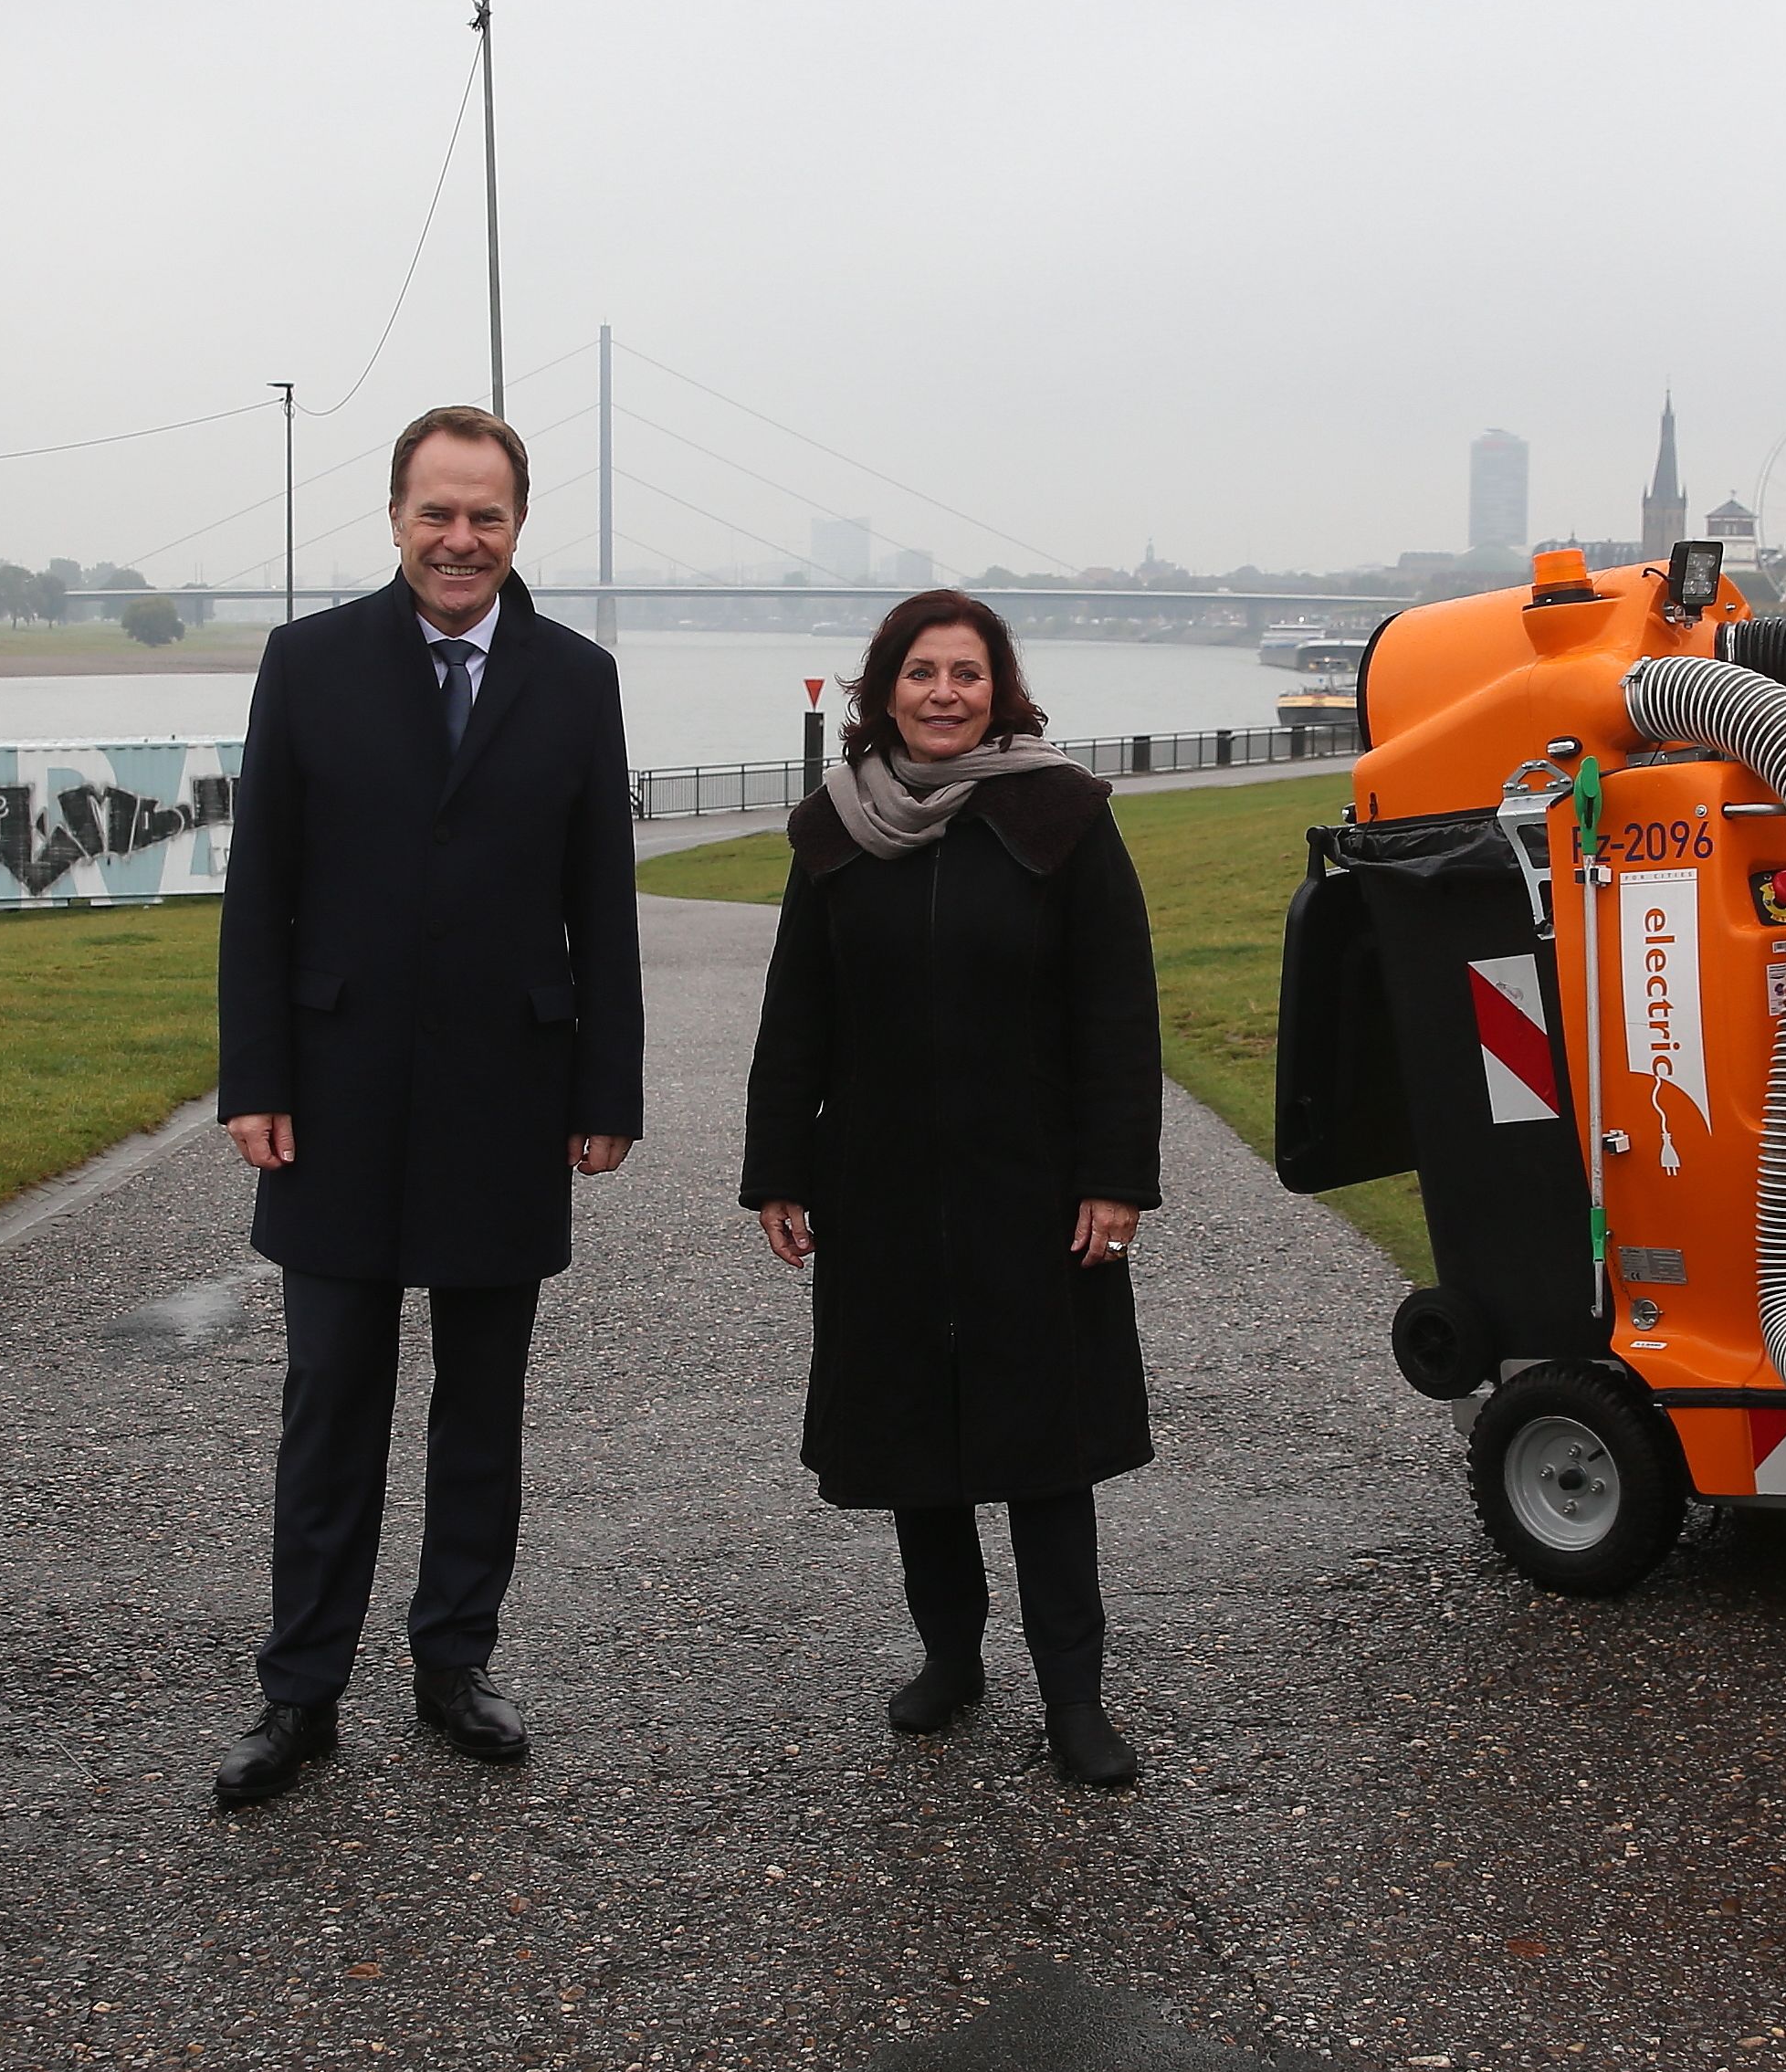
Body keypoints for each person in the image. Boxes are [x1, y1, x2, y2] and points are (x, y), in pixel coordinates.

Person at [209, 405, 645, 1807]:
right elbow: (259, 889)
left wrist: (606, 1087)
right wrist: (256, 1076)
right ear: (395, 515)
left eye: (488, 516)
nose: (460, 541)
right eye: (436, 513)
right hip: (331, 1099)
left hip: (506, 1097)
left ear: (520, 526)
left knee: (480, 1406)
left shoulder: (576, 681)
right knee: (330, 1402)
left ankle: (454, 1661)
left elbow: (603, 906)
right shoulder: (310, 663)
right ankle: (300, 1691)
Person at [739, 594, 1164, 1787]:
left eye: (963, 674)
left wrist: (1114, 1177)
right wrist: (777, 1165)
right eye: (919, 673)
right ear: (883, 691)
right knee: (912, 1442)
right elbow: (798, 1013)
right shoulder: (833, 831)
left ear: (999, 689)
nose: (940, 693)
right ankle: (950, 1659)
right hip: (877, 1186)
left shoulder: (1061, 817)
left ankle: (1074, 1701)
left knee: (1044, 1450)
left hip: (1027, 1187)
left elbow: (1116, 1012)